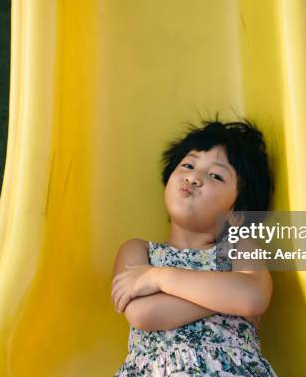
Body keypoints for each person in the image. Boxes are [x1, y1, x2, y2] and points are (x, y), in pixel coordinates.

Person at [111, 117, 277, 376]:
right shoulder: (139, 251)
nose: (194, 177)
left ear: (236, 212)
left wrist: (160, 278)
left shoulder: (238, 247)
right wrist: (228, 297)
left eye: (215, 175)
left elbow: (253, 297)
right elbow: (144, 314)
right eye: (188, 164)